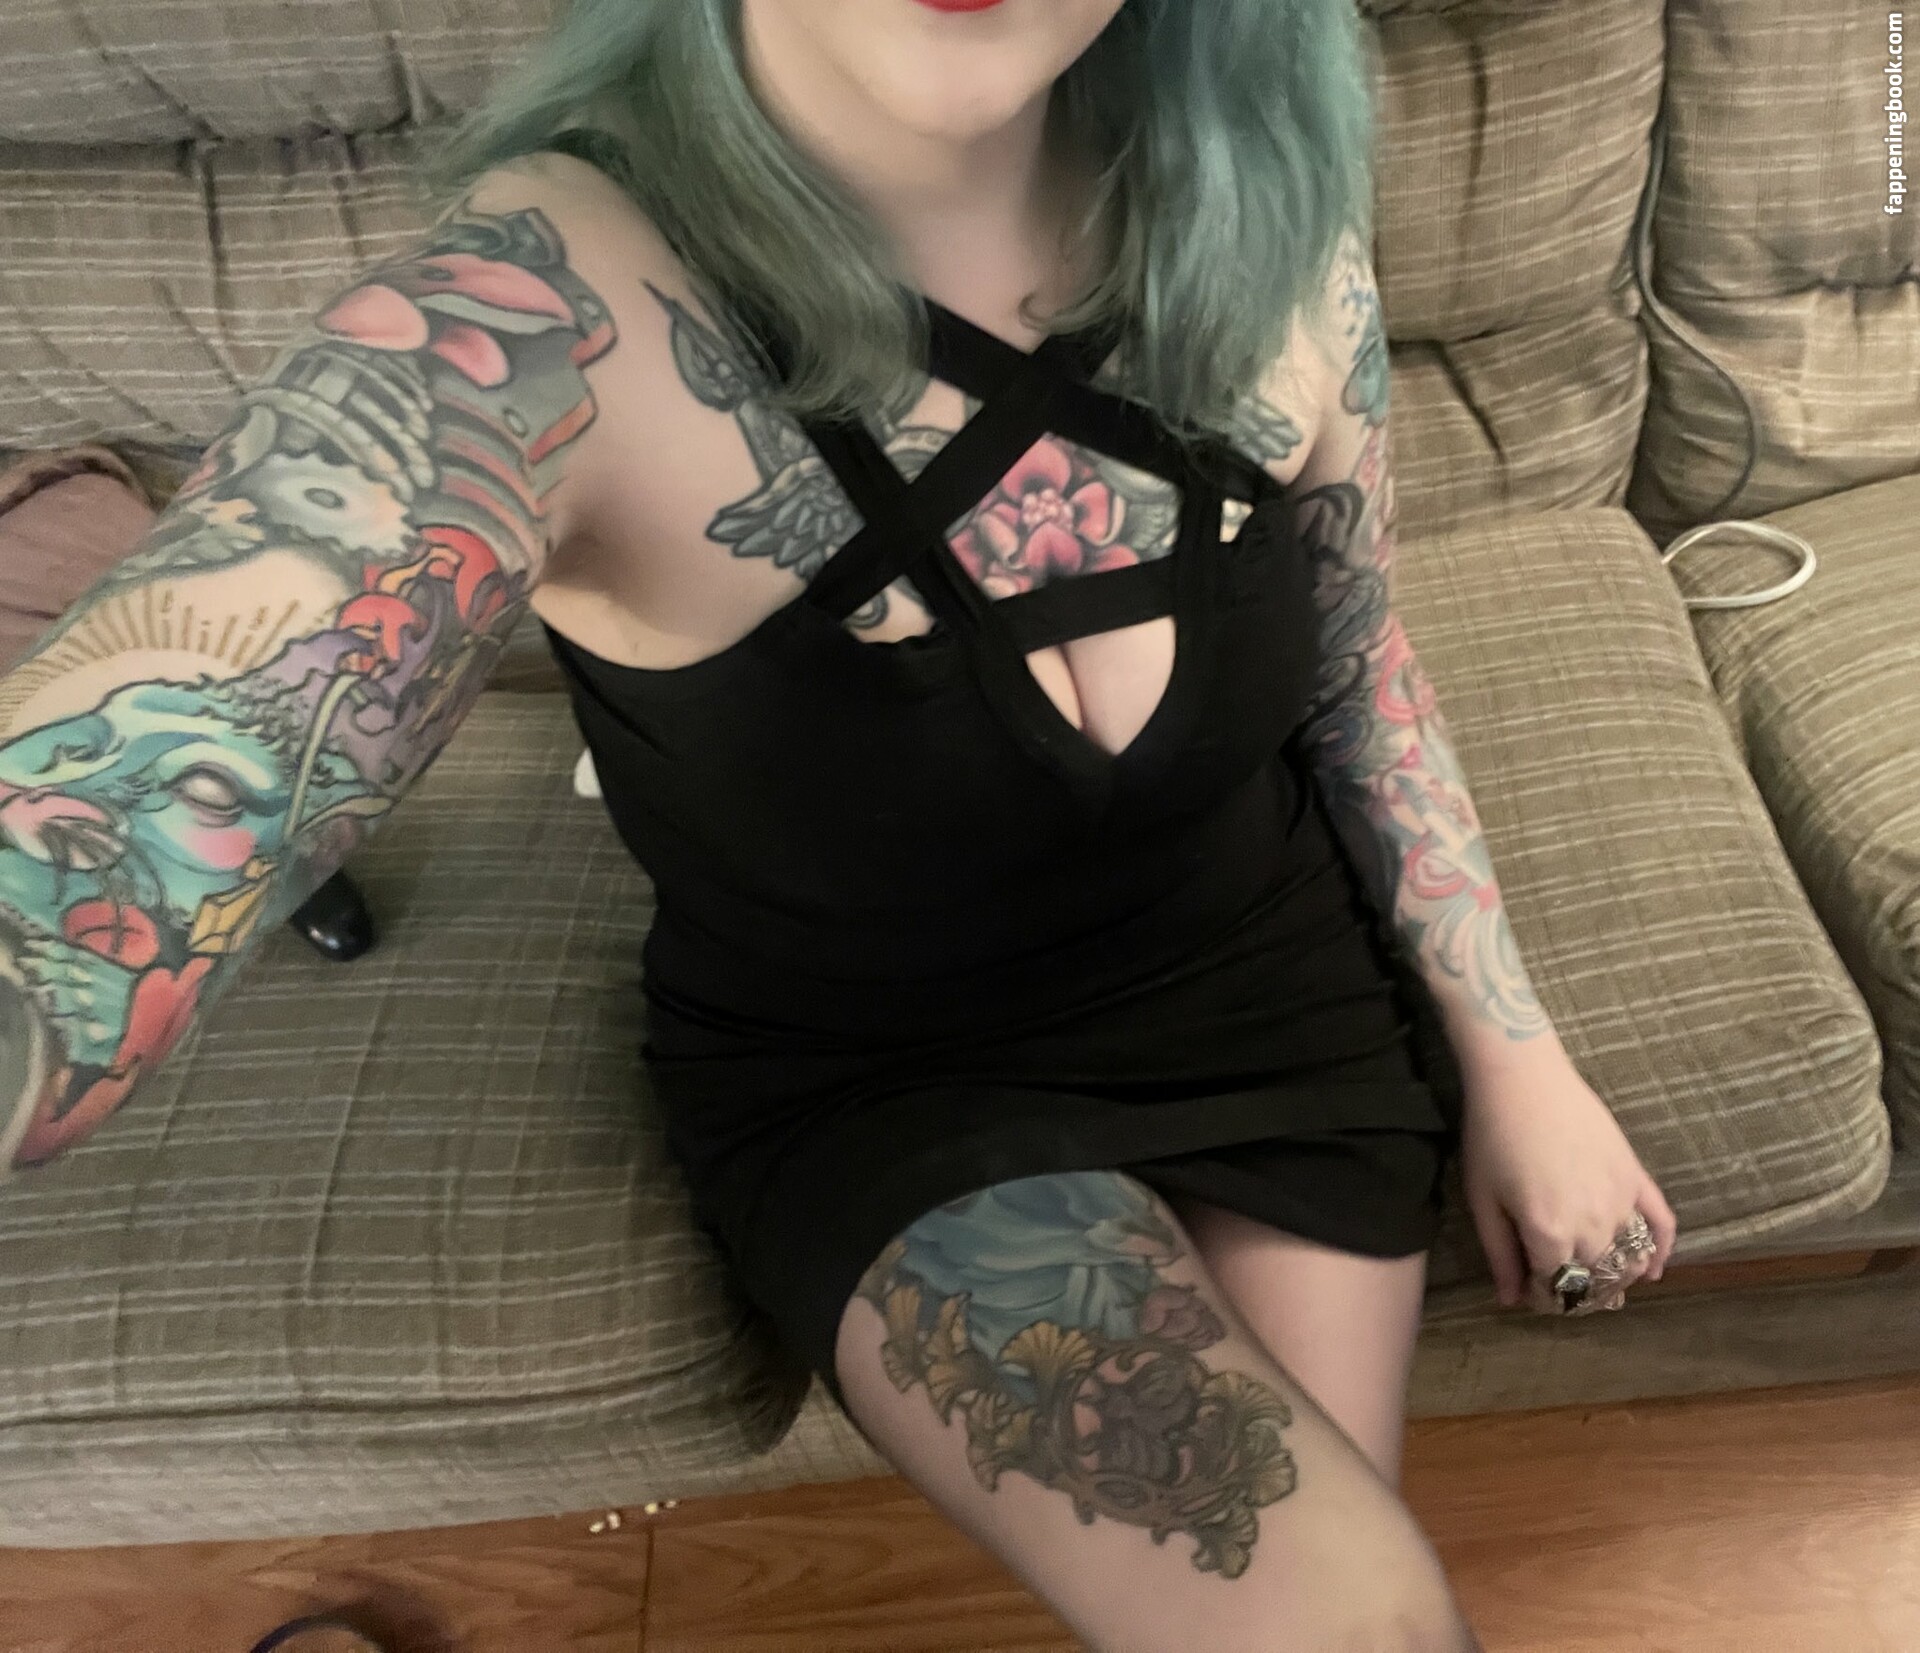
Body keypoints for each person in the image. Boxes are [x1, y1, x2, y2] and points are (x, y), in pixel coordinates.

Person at [0, 1, 1681, 1647]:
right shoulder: (538, 311)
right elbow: (145, 775)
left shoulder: (1263, 210)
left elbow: (1359, 661)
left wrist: (1521, 1060)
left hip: (1268, 991)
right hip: (889, 1074)